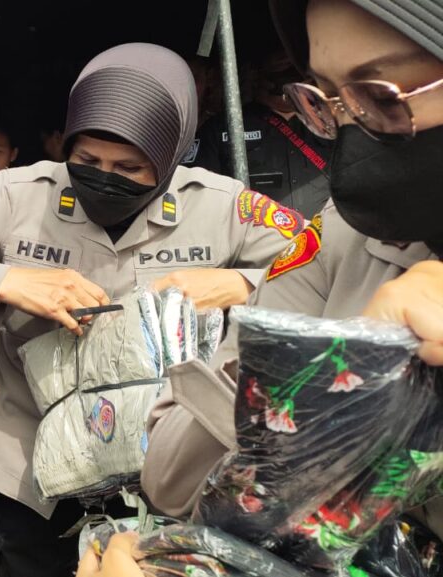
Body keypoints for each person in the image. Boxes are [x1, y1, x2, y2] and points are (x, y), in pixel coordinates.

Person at [0, 43, 302, 577]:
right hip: (32, 481)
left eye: (130, 167)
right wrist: (7, 283)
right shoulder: (17, 196)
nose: (105, 177)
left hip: (169, 477)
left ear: (171, 157)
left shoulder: (224, 207)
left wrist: (239, 284)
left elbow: (330, 271)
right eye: (87, 161)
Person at [141, 0, 443, 538]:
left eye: (382, 98)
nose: (355, 138)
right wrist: (337, 368)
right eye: (325, 101)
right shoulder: (341, 237)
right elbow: (170, 477)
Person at [192, 49, 333, 218]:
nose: (286, 86)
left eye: (293, 75)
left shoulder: (330, 124)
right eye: (279, 75)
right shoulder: (224, 127)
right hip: (255, 232)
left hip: (323, 232)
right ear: (258, 76)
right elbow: (200, 193)